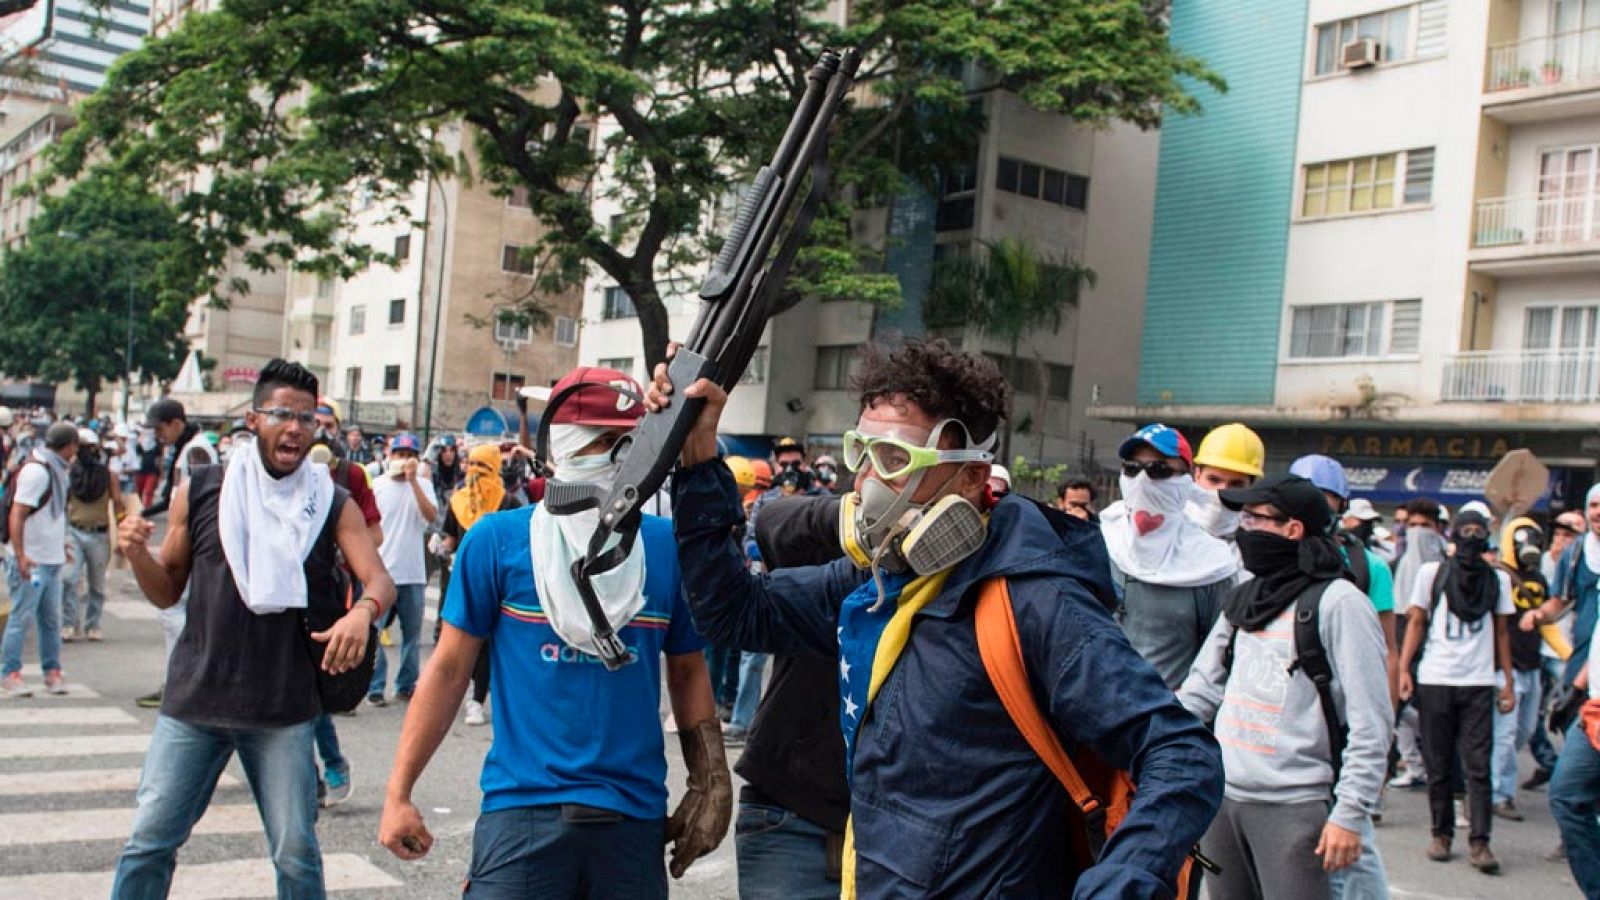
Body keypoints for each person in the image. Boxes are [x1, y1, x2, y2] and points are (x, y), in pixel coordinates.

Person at [656, 339, 1224, 897]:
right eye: (863, 454)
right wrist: (700, 455)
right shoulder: (881, 580)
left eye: (895, 460)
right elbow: (735, 613)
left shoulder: (1035, 602)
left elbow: (1181, 752)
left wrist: (1122, 879)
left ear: (973, 478)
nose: (866, 484)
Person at [378, 366, 730, 897]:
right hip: (521, 813)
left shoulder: (665, 549)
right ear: (558, 447)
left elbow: (687, 670)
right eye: (601, 440)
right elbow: (449, 671)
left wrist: (711, 781)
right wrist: (398, 792)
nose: (618, 456)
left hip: (632, 817)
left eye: (629, 442)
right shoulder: (496, 542)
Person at [111, 359, 396, 897]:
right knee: (148, 842)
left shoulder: (329, 502)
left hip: (283, 709)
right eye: (282, 414)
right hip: (194, 702)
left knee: (296, 856)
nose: (295, 427)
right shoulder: (199, 490)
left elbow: (378, 578)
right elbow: (168, 589)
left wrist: (362, 613)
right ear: (253, 418)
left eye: (307, 418)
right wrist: (136, 557)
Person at [1178, 474, 1391, 900]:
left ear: (1293, 530)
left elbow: (1372, 723)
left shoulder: (1339, 604)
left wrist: (1349, 814)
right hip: (1224, 802)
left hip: (1294, 808)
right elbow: (1200, 691)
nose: (1245, 529)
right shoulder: (1245, 597)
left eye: (1257, 519)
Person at [1397, 508, 1515, 873]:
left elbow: (1501, 632)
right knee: (1438, 762)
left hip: (1478, 682)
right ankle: (1441, 834)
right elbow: (1416, 621)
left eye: (1478, 530)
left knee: (1478, 766)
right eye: (1466, 529)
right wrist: (1404, 668)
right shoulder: (1431, 573)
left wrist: (1507, 681)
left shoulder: (1497, 580)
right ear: (1453, 534)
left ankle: (1480, 842)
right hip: (1436, 678)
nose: (1472, 535)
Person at [1102, 423, 1240, 688]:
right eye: (1132, 469)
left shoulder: (1211, 564)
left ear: (1185, 481)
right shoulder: (1103, 538)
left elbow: (1217, 663)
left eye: (1159, 471)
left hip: (1165, 718)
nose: (1142, 481)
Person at [306, 432, 384, 808]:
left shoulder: (350, 483)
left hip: (330, 605)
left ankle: (332, 765)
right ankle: (309, 778)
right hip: (280, 612)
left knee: (313, 701)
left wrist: (344, 544)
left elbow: (376, 539)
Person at [137, 398, 219, 709]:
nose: (158, 435)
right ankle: (179, 681)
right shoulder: (187, 449)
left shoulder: (195, 451)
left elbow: (200, 501)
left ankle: (181, 682)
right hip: (186, 539)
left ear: (176, 423)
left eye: (160, 428)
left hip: (192, 544)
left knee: (174, 614)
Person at [437, 443, 520, 727]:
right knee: (450, 635)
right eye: (472, 464)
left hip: (494, 582)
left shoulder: (508, 503)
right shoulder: (458, 500)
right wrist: (442, 546)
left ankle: (477, 698)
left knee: (484, 643)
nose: (475, 472)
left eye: (482, 466)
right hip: (457, 576)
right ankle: (452, 691)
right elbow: (450, 535)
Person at [0, 423, 78, 697]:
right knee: (21, 617)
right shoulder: (38, 471)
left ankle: (51, 671)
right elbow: (17, 514)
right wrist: (21, 555)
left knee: (50, 620)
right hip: (33, 559)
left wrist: (61, 546)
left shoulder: (56, 470)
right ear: (69, 446)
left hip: (50, 556)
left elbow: (52, 515)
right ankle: (9, 673)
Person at [367, 432, 435, 706]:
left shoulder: (423, 485)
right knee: (374, 633)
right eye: (400, 454)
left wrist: (413, 484)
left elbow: (430, 517)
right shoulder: (378, 485)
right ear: (389, 456)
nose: (405, 460)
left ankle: (406, 683)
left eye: (410, 455)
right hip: (383, 572)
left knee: (412, 635)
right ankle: (375, 684)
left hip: (413, 573)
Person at [1490, 516, 1550, 821]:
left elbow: (1549, 618)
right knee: (1506, 731)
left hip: (1533, 664)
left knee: (1523, 731)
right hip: (1506, 666)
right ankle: (1499, 794)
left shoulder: (1539, 579)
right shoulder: (1498, 576)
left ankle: (1493, 776)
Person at [1389, 497, 1449, 789]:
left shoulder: (1448, 570)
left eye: (1425, 527)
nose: (1417, 532)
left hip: (1437, 655)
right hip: (1401, 647)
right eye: (1412, 526)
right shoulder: (1395, 566)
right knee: (1391, 719)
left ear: (1438, 529)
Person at [1525, 509, 1586, 789]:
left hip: (1573, 654)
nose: (1562, 540)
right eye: (1558, 533)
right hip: (1544, 652)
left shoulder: (1582, 561)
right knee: (1537, 716)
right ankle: (1552, 764)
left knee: (1576, 714)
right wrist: (1537, 615)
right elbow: (1555, 603)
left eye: (1569, 534)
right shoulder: (1546, 565)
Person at [62, 428, 123, 643]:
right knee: (69, 579)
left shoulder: (108, 476)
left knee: (96, 584)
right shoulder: (70, 474)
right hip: (75, 532)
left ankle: (93, 624)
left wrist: (123, 531)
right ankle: (69, 623)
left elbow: (118, 504)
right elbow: (62, 504)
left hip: (98, 535)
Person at [1185, 422, 1264, 539]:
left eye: (1236, 484)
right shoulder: (1167, 521)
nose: (1223, 490)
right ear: (1197, 475)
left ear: (1251, 487)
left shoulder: (1258, 535)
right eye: (1213, 480)